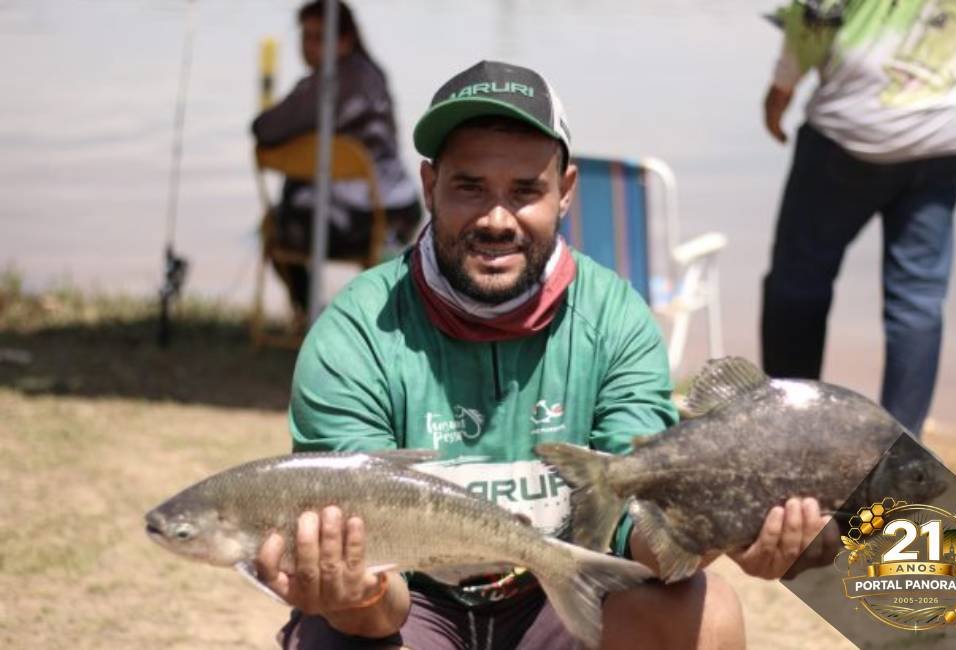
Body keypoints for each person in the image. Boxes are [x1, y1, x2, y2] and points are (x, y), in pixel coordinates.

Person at [257, 60, 827, 649]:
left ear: (565, 193)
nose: (497, 219)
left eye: (526, 190)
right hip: (416, 607)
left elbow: (639, 533)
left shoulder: (615, 318)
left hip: (560, 596)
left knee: (705, 614)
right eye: (469, 187)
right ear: (430, 187)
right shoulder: (355, 331)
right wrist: (357, 595)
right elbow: (380, 598)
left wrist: (710, 529)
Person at [761, 0, 956, 436]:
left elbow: (814, 16)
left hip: (850, 133)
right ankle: (904, 449)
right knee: (917, 298)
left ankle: (791, 430)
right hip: (946, 133)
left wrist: (778, 94)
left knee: (798, 284)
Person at [252, 1, 422, 323]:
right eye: (306, 37)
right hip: (399, 207)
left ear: (344, 41)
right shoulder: (373, 74)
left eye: (320, 37)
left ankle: (310, 314)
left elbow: (265, 129)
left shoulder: (325, 84)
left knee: (274, 226)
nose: (310, 46)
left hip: (359, 219)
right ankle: (335, 318)